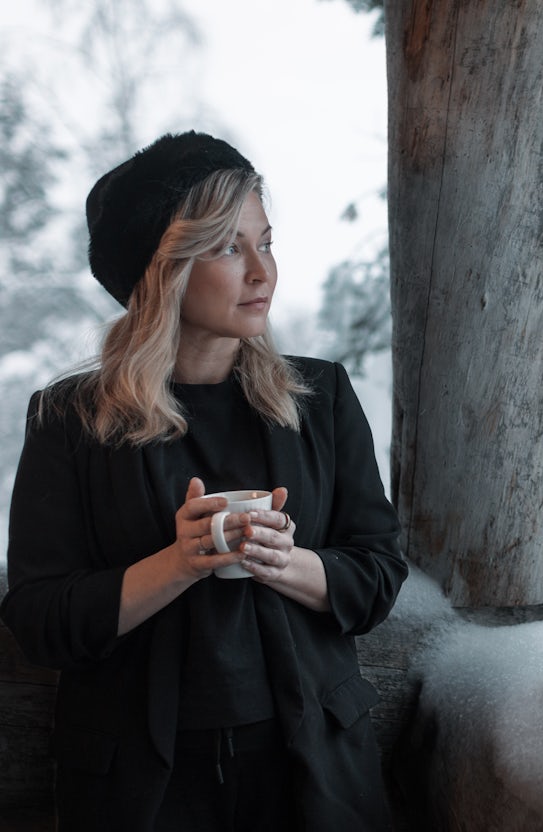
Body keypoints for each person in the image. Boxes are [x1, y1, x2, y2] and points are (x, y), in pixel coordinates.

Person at [0, 131, 408, 831]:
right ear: (163, 271)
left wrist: (289, 562)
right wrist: (179, 564)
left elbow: (376, 574)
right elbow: (39, 620)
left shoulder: (323, 397)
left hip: (312, 770)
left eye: (266, 241)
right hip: (139, 789)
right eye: (228, 247)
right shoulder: (69, 420)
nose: (262, 271)